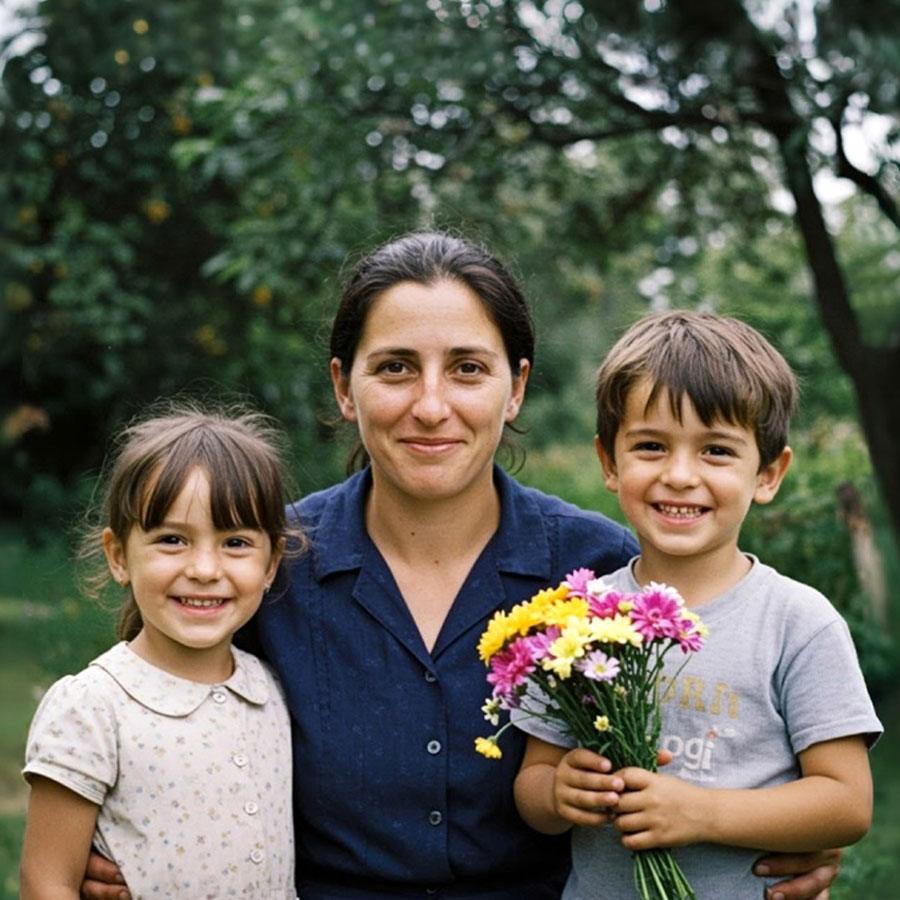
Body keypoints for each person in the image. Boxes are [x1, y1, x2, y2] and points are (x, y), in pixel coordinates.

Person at [81, 234, 844, 899]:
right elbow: (146, 706)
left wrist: (778, 839)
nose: (431, 404)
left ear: (516, 388)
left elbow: (717, 743)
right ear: (344, 387)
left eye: (468, 369)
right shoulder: (265, 565)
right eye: (396, 368)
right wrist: (102, 833)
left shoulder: (603, 574)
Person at [512, 310, 882, 899]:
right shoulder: (579, 619)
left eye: (715, 451)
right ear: (610, 463)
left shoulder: (798, 623)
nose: (680, 475)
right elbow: (533, 781)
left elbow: (846, 803)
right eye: (651, 446)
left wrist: (701, 814)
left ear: (769, 473)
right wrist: (559, 794)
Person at [20, 403, 302, 899]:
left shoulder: (272, 687)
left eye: (235, 542)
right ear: (118, 556)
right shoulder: (92, 708)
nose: (204, 569)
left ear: (271, 563)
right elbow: (47, 882)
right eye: (172, 540)